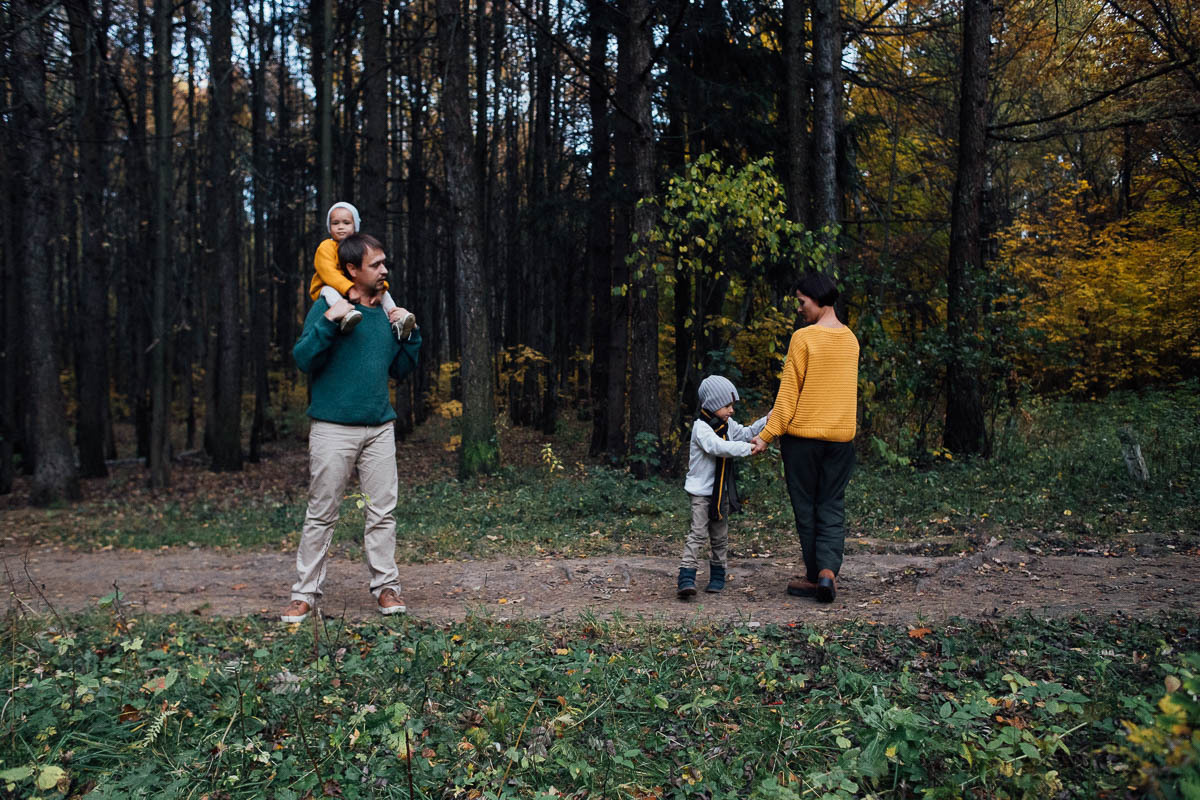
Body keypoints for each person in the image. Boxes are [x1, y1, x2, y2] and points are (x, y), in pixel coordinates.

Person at [281, 233, 421, 623]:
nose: (384, 270)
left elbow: (400, 370)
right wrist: (329, 322)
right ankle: (304, 594)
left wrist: (410, 334)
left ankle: (387, 588)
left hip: (379, 427)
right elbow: (303, 359)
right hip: (332, 428)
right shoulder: (329, 306)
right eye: (376, 264)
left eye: (384, 262)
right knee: (322, 513)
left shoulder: (387, 314)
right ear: (351, 270)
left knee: (382, 513)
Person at [751, 271, 859, 604]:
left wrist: (766, 435)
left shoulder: (804, 338)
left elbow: (788, 396)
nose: (799, 309)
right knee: (832, 503)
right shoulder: (851, 340)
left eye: (802, 302)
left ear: (818, 298)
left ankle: (815, 577)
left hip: (803, 441)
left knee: (806, 507)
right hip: (841, 440)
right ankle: (827, 573)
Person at [678, 375, 768, 599]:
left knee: (720, 536)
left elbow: (746, 433)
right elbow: (718, 447)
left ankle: (718, 575)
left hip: (721, 493)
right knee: (698, 534)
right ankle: (686, 577)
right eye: (727, 405)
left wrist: (767, 420)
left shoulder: (727, 425)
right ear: (712, 404)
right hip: (701, 493)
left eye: (732, 405)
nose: (731, 410)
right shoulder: (701, 428)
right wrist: (748, 449)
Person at [310, 201, 416, 340]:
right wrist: (349, 289)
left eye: (346, 223)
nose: (340, 227)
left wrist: (380, 290)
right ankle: (345, 316)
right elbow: (328, 273)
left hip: (353, 286)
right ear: (329, 227)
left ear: (355, 226)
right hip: (329, 286)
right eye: (335, 223)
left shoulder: (359, 248)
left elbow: (369, 273)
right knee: (328, 290)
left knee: (386, 294)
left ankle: (397, 320)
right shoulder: (326, 247)